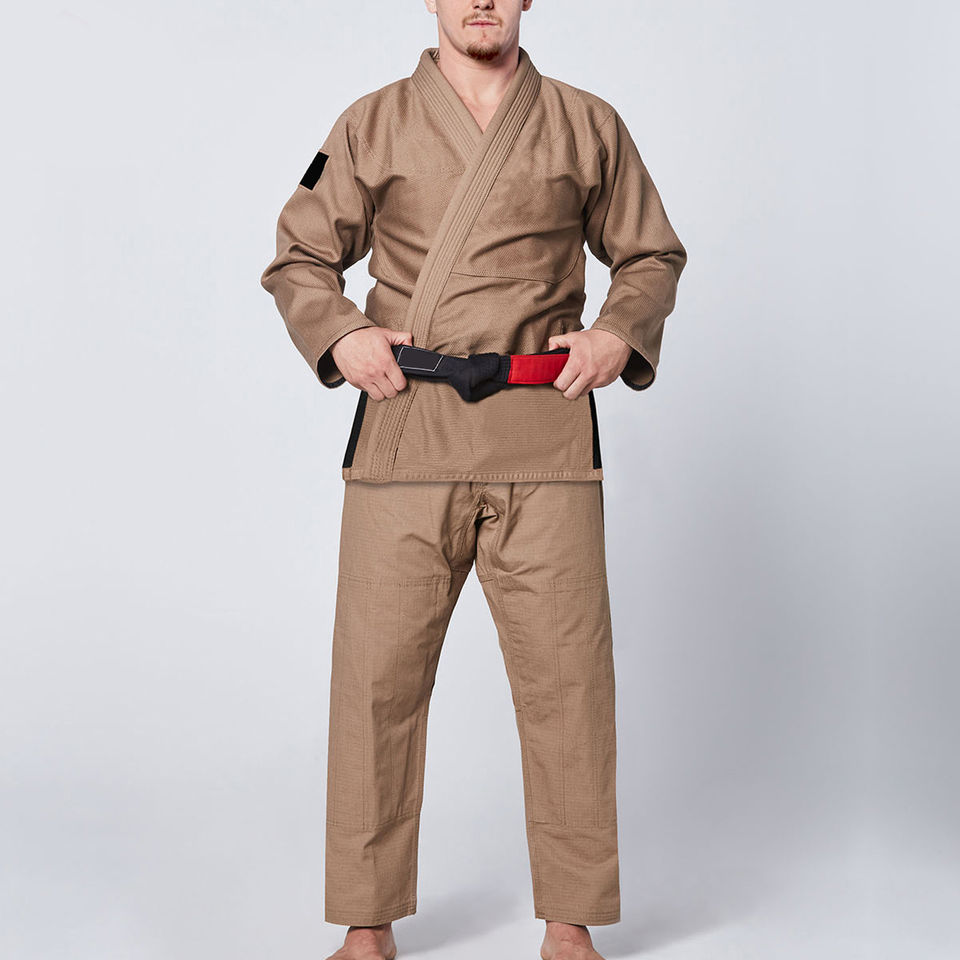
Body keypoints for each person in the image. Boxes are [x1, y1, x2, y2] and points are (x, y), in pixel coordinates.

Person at [260, 2, 687, 957]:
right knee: (375, 683)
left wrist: (618, 333)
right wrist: (342, 334)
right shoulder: (371, 122)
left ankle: (570, 923)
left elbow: (652, 253)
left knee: (569, 686)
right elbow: (298, 256)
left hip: (544, 434)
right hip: (408, 432)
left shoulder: (587, 122)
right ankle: (366, 925)